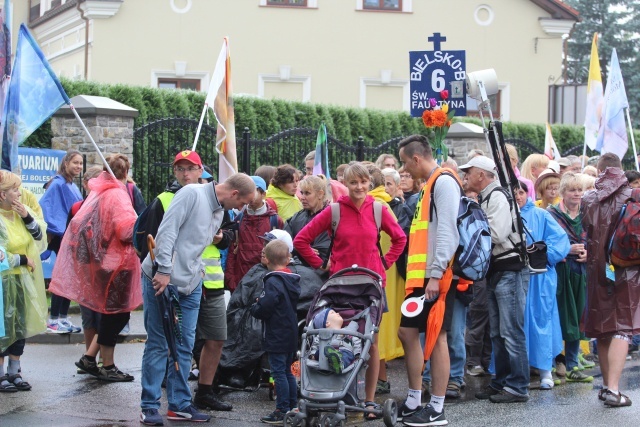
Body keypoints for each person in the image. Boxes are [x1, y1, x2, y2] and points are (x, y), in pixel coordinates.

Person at [139, 173, 256, 426]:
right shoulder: (192, 194)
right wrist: (164, 271)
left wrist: (195, 276)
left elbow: (197, 246)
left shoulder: (218, 211)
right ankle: (149, 406)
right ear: (234, 193)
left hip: (190, 283)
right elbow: (167, 232)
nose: (240, 209)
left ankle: (179, 405)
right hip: (160, 277)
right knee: (159, 343)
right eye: (242, 202)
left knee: (184, 344)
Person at [293, 162, 405, 420]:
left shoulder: (378, 209)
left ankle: (368, 401)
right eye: (353, 182)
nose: (359, 187)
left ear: (369, 183)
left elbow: (399, 238)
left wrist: (384, 262)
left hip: (372, 286)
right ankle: (339, 392)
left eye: (363, 182)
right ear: (347, 184)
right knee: (339, 338)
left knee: (371, 345)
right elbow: (301, 240)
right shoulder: (334, 211)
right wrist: (321, 263)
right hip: (340, 285)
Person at [50, 155, 142, 382]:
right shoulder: (118, 194)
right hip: (117, 265)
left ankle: (90, 358)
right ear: (126, 171)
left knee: (110, 316)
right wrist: (141, 226)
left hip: (100, 263)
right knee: (116, 316)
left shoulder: (98, 192)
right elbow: (125, 231)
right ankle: (106, 365)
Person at [395, 135, 460, 425]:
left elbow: (447, 231)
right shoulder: (431, 184)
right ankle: (414, 399)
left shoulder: (444, 182)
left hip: (435, 276)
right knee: (407, 333)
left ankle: (436, 407)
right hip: (422, 277)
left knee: (437, 338)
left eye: (405, 162)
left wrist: (435, 274)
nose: (404, 168)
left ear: (417, 158)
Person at [461, 156, 530, 404]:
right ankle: (502, 382)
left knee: (510, 331)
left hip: (509, 270)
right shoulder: (490, 196)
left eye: (468, 172)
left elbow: (498, 234)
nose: (466, 176)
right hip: (499, 271)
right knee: (499, 333)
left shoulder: (498, 196)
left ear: (481, 174)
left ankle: (518, 386)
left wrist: (472, 232)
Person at [581, 153, 639, 407]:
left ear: (600, 170)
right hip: (625, 267)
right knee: (623, 326)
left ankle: (606, 387)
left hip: (598, 267)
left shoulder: (588, 198)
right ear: (621, 170)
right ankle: (615, 390)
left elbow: (587, 229)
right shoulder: (632, 195)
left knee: (603, 326)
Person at [515, 181, 570, 390]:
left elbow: (560, 240)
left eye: (521, 192)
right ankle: (518, 371)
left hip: (540, 279)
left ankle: (546, 370)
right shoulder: (505, 215)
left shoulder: (541, 215)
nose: (518, 196)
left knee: (541, 322)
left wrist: (544, 256)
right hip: (515, 276)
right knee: (516, 323)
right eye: (514, 193)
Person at [0, 171, 47, 392]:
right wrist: (23, 259)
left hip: (20, 280)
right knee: (2, 327)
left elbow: (39, 238)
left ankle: (14, 370)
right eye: (15, 190)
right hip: (2, 281)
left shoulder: (20, 213)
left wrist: (27, 216)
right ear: (2, 194)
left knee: (18, 325)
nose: (20, 193)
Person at [547, 173, 593, 383]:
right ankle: (556, 364)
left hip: (580, 272)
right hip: (559, 272)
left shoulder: (587, 214)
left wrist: (587, 253)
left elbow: (595, 240)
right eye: (572, 190)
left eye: (579, 190)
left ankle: (573, 365)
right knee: (558, 317)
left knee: (577, 318)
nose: (576, 194)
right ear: (563, 192)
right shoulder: (552, 214)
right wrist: (566, 249)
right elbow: (545, 242)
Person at [250, 239, 301, 424]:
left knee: (278, 372)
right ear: (287, 259)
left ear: (267, 260)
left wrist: (256, 307)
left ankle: (281, 409)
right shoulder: (293, 279)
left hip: (276, 333)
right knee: (287, 371)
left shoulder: (272, 281)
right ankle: (292, 405)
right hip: (290, 332)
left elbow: (267, 305)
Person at [39, 149, 84, 334]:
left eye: (81, 163)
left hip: (71, 236)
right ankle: (54, 319)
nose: (78, 167)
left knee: (70, 278)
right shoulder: (57, 184)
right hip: (62, 236)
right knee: (63, 277)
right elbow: (47, 206)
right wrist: (56, 230)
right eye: (75, 163)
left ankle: (63, 317)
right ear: (66, 163)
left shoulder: (71, 184)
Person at [66, 166, 104, 374]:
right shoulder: (76, 208)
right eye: (90, 181)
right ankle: (90, 358)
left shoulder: (108, 205)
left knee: (103, 317)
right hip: (84, 270)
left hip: (103, 271)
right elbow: (67, 237)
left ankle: (104, 360)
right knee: (88, 317)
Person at [135, 150, 204, 262]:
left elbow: (226, 234)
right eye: (180, 169)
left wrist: (221, 238)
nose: (185, 173)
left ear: (200, 171)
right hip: (171, 272)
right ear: (175, 172)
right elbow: (150, 240)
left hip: (204, 272)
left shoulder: (209, 197)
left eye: (191, 168)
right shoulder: (162, 200)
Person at [225, 176, 283, 292]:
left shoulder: (275, 221)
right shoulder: (238, 220)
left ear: (263, 194)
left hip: (265, 280)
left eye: (254, 191)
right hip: (240, 280)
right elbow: (232, 251)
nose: (249, 195)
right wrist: (231, 280)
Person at [284, 175, 330, 266]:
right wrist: (301, 249)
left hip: (323, 272)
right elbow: (284, 244)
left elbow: (326, 249)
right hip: (297, 269)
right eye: (302, 193)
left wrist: (302, 250)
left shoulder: (331, 216)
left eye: (307, 193)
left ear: (320, 194)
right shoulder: (296, 217)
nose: (302, 197)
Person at [310, 308, 362, 374]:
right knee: (320, 352)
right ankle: (332, 358)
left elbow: (356, 341)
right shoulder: (321, 335)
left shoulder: (348, 331)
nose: (338, 313)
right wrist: (313, 354)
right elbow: (315, 345)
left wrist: (357, 354)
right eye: (333, 313)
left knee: (346, 356)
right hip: (326, 352)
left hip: (344, 350)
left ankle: (339, 364)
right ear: (327, 323)